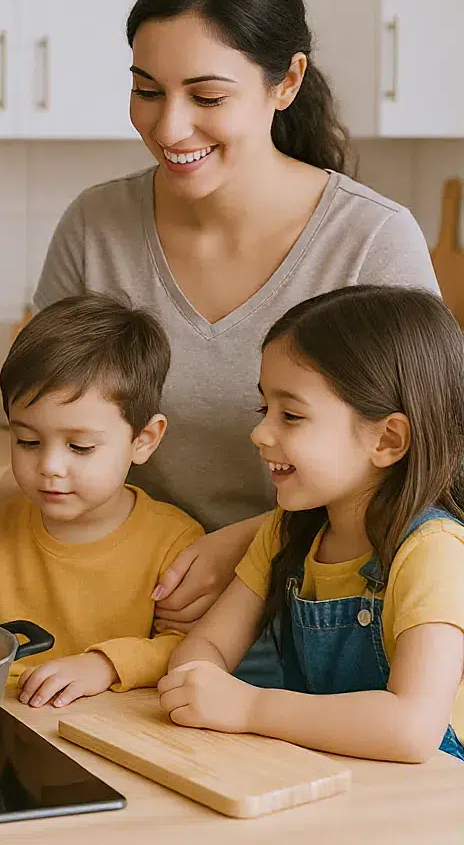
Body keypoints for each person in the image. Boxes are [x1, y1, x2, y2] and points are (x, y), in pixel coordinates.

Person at [9, 0, 441, 686]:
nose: (170, 128)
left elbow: (436, 461)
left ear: (287, 81)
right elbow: (46, 414)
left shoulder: (369, 239)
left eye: (207, 97)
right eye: (147, 90)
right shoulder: (95, 226)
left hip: (312, 628)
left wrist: (247, 545)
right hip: (124, 628)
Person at [159, 286, 464, 762]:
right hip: (323, 777)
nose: (260, 433)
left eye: (292, 415)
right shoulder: (287, 532)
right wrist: (197, 682)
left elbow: (412, 729)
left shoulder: (434, 551)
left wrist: (251, 706)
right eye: (265, 409)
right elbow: (207, 646)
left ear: (387, 439)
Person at [0, 294, 204, 708]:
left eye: (81, 446)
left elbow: (188, 646)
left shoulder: (175, 540)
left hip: (115, 736)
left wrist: (103, 666)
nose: (50, 466)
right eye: (28, 441)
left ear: (143, 440)